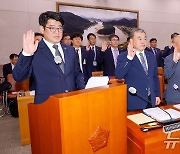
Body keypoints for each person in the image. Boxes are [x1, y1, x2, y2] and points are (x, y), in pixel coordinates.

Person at [12, 11, 85, 104]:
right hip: (46, 106)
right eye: (52, 28)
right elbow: (18, 77)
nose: (57, 32)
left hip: (71, 102)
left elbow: (77, 74)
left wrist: (82, 91)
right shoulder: (34, 50)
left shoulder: (70, 50)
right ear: (42, 29)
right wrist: (27, 54)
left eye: (59, 28)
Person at [115, 28, 161, 111]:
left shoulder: (151, 56)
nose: (143, 41)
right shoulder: (124, 56)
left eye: (145, 39)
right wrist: (129, 58)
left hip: (151, 99)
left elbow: (154, 77)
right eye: (139, 39)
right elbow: (119, 75)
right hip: (135, 100)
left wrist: (157, 95)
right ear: (131, 41)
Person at [164, 35, 180, 104]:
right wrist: (174, 61)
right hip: (175, 97)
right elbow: (167, 75)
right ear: (174, 45)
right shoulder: (169, 58)